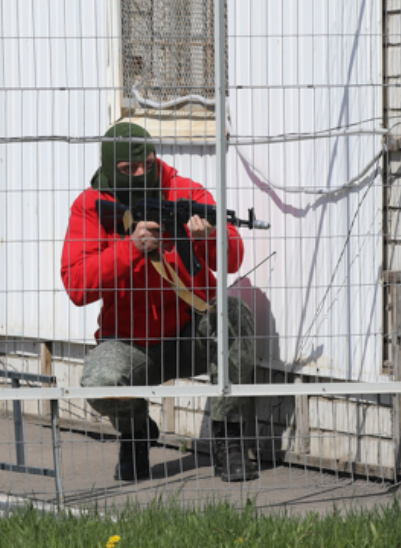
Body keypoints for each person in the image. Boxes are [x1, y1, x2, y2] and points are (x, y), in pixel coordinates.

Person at [60, 122, 259, 483]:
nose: (140, 173)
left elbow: (232, 260)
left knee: (235, 315)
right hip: (129, 341)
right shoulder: (90, 207)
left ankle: (229, 438)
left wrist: (207, 238)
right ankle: (136, 433)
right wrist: (129, 248)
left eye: (147, 164)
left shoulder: (184, 192)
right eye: (127, 169)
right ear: (109, 168)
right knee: (98, 382)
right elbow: (76, 285)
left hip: (189, 331)